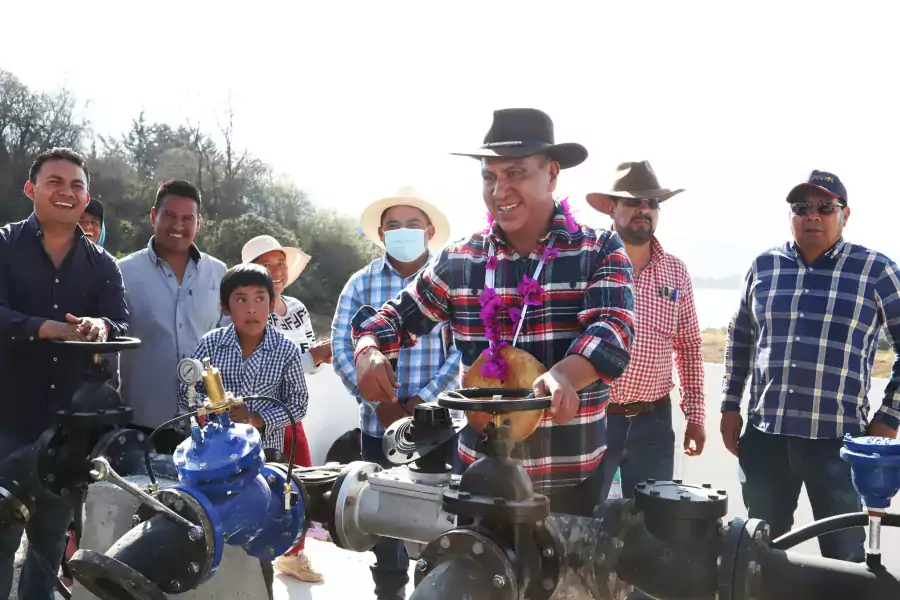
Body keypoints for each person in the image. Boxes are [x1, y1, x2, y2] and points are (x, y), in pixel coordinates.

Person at [352, 108, 635, 517]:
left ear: (552, 174)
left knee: (569, 582)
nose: (500, 189)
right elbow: (396, 318)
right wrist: (368, 347)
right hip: (480, 477)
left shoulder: (599, 250)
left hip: (571, 475)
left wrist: (563, 376)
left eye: (516, 173)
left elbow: (612, 330)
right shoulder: (462, 258)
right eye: (490, 176)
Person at [721, 170, 900, 562]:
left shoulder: (877, 272)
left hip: (838, 445)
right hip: (766, 439)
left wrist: (889, 418)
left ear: (845, 214)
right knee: (760, 556)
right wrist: (729, 404)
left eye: (825, 207)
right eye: (802, 208)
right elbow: (740, 339)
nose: (813, 216)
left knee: (843, 564)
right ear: (791, 216)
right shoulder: (763, 267)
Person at [0, 147, 129, 600]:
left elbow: (121, 322)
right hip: (8, 421)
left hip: (68, 431)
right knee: (0, 539)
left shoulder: (103, 265)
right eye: (55, 182)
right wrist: (44, 329)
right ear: (31, 189)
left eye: (76, 185)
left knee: (49, 543)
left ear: (86, 196)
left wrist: (101, 326)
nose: (66, 192)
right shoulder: (3, 244)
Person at [332, 189, 462, 600]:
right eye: (393, 225)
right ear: (380, 233)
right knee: (383, 517)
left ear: (428, 231)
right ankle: (389, 592)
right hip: (377, 428)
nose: (402, 232)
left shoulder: (448, 282)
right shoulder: (360, 283)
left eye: (412, 224)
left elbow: (461, 351)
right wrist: (383, 405)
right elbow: (341, 346)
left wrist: (420, 403)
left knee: (443, 522)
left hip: (440, 429)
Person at [586, 160, 705, 499]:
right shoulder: (589, 262)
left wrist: (695, 416)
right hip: (595, 415)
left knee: (654, 528)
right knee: (581, 520)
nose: (644, 209)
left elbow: (689, 346)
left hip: (653, 421)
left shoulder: (675, 271)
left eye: (651, 203)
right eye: (633, 201)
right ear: (612, 208)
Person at [242, 234, 328, 583]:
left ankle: (292, 553)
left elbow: (305, 360)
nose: (276, 271)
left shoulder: (297, 309)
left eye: (280, 264)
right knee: (256, 487)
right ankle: (252, 560)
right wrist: (312, 357)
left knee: (299, 482)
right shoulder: (247, 310)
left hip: (291, 411)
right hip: (255, 416)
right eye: (267, 265)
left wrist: (316, 357)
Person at [118, 180, 227, 452]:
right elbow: (110, 348)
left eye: (187, 218)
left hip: (207, 424)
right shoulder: (122, 273)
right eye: (170, 216)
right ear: (154, 216)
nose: (178, 225)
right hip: (143, 426)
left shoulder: (219, 273)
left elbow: (228, 344)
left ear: (198, 223)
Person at [176, 263, 308, 450]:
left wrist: (255, 419)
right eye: (241, 300)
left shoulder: (286, 350)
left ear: (271, 304)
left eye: (260, 299)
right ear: (224, 307)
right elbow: (185, 393)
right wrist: (214, 405)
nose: (251, 309)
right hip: (215, 451)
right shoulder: (210, 344)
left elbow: (298, 404)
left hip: (265, 453)